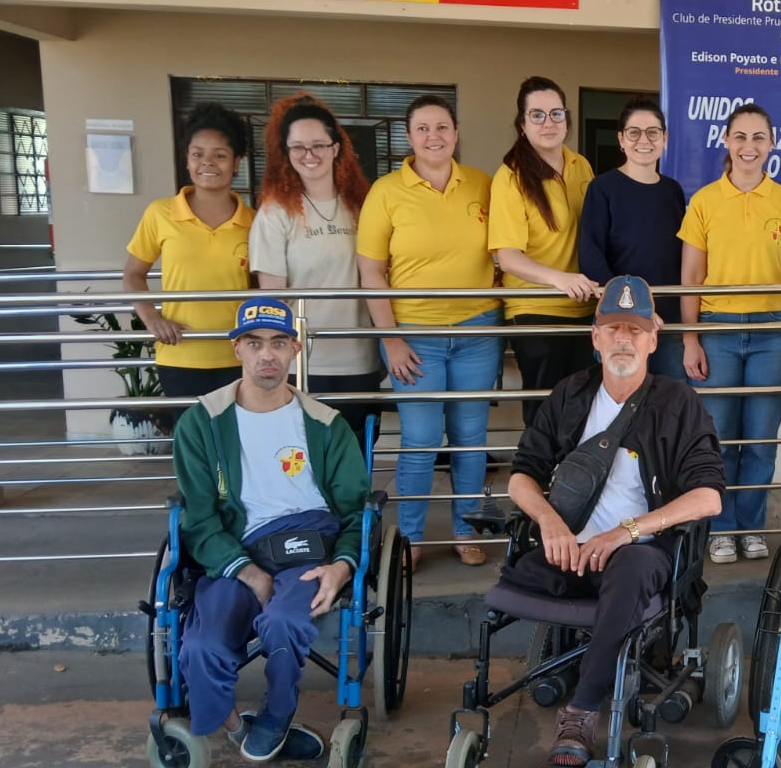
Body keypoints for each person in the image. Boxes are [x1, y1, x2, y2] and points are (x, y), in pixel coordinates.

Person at [503, 275, 723, 768]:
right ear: (595, 337)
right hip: (569, 548)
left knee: (628, 570)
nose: (623, 339)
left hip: (640, 551)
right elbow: (521, 475)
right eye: (613, 329)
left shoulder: (678, 403)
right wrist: (549, 523)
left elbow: (708, 497)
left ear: (653, 340)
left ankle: (581, 712)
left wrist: (628, 532)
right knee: (513, 577)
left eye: (635, 330)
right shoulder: (571, 394)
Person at [171, 298, 370, 763]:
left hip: (308, 542)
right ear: (237, 348)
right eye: (255, 343)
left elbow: (356, 512)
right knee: (200, 645)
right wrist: (248, 572)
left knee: (284, 621)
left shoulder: (325, 424)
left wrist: (342, 567)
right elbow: (198, 518)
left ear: (295, 350)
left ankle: (277, 714)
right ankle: (237, 728)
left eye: (279, 343)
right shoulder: (202, 422)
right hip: (233, 547)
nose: (267, 354)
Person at [356, 95, 501, 569]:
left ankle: (466, 530)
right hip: (414, 335)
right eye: (422, 128)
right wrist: (390, 339)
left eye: (442, 127)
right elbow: (372, 272)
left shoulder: (482, 184)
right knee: (420, 440)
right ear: (409, 136)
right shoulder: (386, 192)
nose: (433, 136)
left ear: (456, 133)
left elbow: (506, 246)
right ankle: (410, 538)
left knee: (470, 439)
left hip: (477, 331)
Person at [679, 102, 781, 565]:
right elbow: (691, 276)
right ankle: (721, 529)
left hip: (773, 333)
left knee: (760, 440)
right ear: (726, 141)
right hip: (716, 331)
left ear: (772, 144)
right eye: (740, 136)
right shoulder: (704, 201)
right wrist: (690, 338)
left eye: (758, 137)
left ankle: (750, 527)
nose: (749, 146)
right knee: (718, 440)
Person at [250, 92, 384, 440]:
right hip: (305, 362)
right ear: (286, 152)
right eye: (298, 147)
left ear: (336, 148)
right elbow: (272, 299)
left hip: (361, 356)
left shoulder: (363, 204)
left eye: (318, 145)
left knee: (355, 451)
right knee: (303, 455)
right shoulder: (276, 212)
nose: (309, 155)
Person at [122, 102, 255, 402]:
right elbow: (133, 274)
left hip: (239, 356)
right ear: (187, 160)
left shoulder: (254, 221)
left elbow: (261, 287)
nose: (207, 163)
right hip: (180, 355)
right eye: (197, 154)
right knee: (189, 431)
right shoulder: (160, 213)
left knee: (237, 432)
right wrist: (152, 319)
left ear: (236, 162)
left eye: (219, 155)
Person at [488, 76, 599, 424]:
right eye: (536, 115)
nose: (548, 122)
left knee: (582, 412)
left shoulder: (580, 165)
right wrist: (560, 279)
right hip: (536, 309)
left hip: (583, 306)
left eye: (556, 113)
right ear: (522, 124)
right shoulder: (511, 176)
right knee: (545, 416)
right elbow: (508, 257)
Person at [577, 97, 687, 379]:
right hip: (621, 321)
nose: (644, 140)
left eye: (653, 132)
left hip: (669, 320)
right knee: (622, 397)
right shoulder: (603, 188)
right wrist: (636, 309)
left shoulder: (673, 191)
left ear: (665, 138)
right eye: (634, 132)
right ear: (621, 139)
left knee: (669, 400)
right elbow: (591, 257)